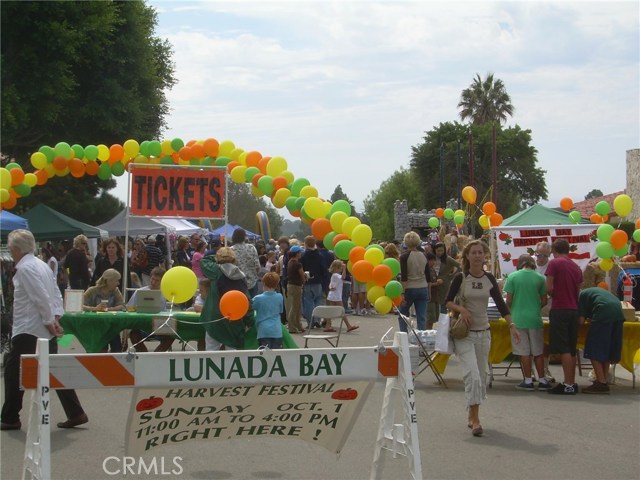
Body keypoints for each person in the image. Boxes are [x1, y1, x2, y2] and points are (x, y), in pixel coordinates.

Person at [1, 229, 88, 431]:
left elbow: (40, 297)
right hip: (43, 327)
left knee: (14, 371)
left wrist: (50, 321)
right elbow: (55, 294)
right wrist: (55, 318)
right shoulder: (42, 265)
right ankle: (75, 412)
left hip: (29, 328)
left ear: (15, 249)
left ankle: (10, 416)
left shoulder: (25, 269)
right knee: (52, 369)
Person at [445, 239, 512, 437]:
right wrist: (461, 309)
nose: (477, 256)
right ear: (467, 256)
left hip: (484, 333)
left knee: (481, 377)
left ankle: (472, 414)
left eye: (480, 252)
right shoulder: (460, 277)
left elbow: (500, 304)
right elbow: (447, 301)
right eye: (473, 252)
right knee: (472, 376)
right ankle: (475, 420)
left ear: (485, 256)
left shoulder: (489, 278)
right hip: (464, 334)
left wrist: (512, 325)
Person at [503, 254, 549, 391]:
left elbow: (508, 301)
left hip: (518, 319)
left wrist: (512, 311)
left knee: (524, 352)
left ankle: (528, 380)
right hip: (535, 318)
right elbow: (545, 301)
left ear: (520, 264)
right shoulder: (540, 278)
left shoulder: (512, 277)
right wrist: (535, 307)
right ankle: (542, 379)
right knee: (538, 351)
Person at [545, 238, 583, 395]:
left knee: (564, 348)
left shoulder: (554, 263)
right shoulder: (576, 267)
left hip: (560, 308)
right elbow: (579, 289)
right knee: (572, 348)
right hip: (573, 308)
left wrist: (554, 293)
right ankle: (571, 382)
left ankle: (567, 384)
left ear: (554, 250)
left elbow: (549, 287)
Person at [200, 247, 254, 350]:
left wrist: (217, 258)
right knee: (233, 352)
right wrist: (249, 320)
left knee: (211, 350)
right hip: (234, 319)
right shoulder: (241, 276)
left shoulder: (215, 270)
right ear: (234, 259)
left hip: (214, 318)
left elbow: (204, 261)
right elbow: (246, 300)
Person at [577, 287, 625, 394]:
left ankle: (601, 382)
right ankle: (603, 378)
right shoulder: (593, 291)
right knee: (606, 349)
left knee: (593, 348)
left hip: (603, 312)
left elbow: (580, 321)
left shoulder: (581, 297)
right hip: (618, 313)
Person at [127, 267, 173, 352]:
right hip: (143, 325)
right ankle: (145, 354)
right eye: (152, 279)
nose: (153, 282)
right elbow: (129, 308)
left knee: (171, 336)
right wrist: (137, 309)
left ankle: (155, 355)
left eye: (157, 280)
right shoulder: (139, 291)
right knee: (133, 334)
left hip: (159, 325)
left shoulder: (165, 293)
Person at [83, 269, 126, 352]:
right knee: (101, 349)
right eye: (116, 281)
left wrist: (109, 309)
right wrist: (94, 309)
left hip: (111, 325)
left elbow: (122, 305)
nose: (118, 283)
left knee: (117, 348)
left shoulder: (115, 291)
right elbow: (79, 305)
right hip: (95, 326)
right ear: (109, 281)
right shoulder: (92, 291)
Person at [398, 231, 430, 332]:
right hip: (423, 287)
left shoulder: (404, 256)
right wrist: (429, 291)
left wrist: (402, 293)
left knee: (403, 315)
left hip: (409, 288)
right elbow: (428, 276)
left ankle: (404, 336)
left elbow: (404, 277)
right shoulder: (424, 255)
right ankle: (421, 339)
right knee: (421, 317)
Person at [534, 240, 555, 382]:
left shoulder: (552, 266)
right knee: (531, 339)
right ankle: (530, 371)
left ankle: (545, 369)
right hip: (531, 306)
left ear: (549, 255)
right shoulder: (529, 264)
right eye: (538, 255)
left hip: (547, 307)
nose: (541, 258)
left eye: (544, 256)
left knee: (545, 340)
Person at [301, 235, 328, 328]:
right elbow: (323, 269)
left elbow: (302, 267)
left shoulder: (304, 255)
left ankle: (311, 322)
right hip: (318, 281)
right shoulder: (319, 255)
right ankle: (317, 320)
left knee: (308, 302)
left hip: (308, 281)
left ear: (306, 244)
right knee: (318, 301)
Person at [253, 272, 284, 349]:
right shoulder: (280, 297)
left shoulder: (257, 299)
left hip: (263, 330)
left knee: (264, 355)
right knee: (276, 355)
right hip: (276, 330)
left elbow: (250, 309)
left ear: (263, 283)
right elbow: (281, 311)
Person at [326, 260, 359, 333]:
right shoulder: (336, 275)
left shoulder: (334, 275)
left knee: (331, 310)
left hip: (333, 295)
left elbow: (332, 284)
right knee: (342, 311)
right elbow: (343, 277)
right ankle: (348, 326)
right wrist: (344, 269)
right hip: (336, 296)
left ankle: (327, 325)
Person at [230, 228, 261, 298]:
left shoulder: (231, 250)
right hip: (252, 282)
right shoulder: (251, 248)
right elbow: (258, 267)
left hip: (237, 283)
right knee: (252, 306)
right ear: (244, 236)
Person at [433, 241, 461, 316]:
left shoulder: (448, 259)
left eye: (442, 250)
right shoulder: (433, 258)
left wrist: (450, 276)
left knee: (443, 303)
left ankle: (443, 320)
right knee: (433, 302)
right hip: (434, 282)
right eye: (438, 250)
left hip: (444, 283)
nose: (440, 252)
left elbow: (459, 266)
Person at [286, 245, 306, 333]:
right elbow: (302, 275)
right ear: (297, 254)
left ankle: (298, 325)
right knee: (295, 307)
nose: (301, 254)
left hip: (290, 285)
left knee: (296, 307)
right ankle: (292, 326)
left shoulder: (290, 262)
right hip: (296, 286)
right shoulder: (298, 264)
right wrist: (304, 280)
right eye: (300, 252)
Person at [425, 252, 444, 329]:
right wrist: (436, 283)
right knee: (429, 318)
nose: (433, 262)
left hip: (435, 297)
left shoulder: (432, 270)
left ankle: (430, 331)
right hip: (430, 298)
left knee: (434, 319)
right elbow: (426, 284)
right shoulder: (425, 271)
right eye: (432, 260)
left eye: (434, 260)